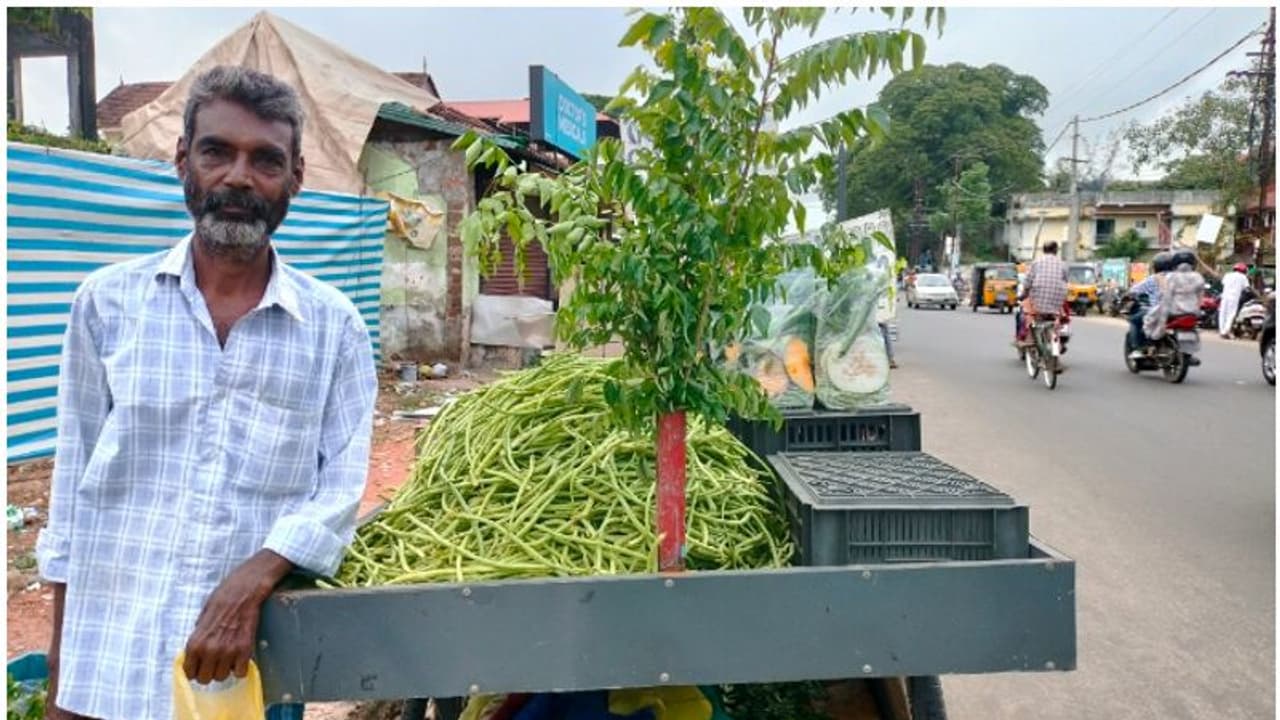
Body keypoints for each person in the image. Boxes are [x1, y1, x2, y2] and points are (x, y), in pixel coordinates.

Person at [36, 66, 378, 720]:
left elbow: (340, 485)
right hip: (112, 655)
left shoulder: (334, 327)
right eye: (217, 151)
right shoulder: (106, 305)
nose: (238, 177)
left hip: (243, 668)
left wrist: (255, 576)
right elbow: (72, 487)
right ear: (182, 162)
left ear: (296, 178)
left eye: (265, 160)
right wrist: (61, 668)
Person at [1143, 250, 1206, 343]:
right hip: (1193, 312)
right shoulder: (1198, 277)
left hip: (1174, 311)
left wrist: (1161, 322)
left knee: (1148, 318)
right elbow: (1200, 297)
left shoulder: (1171, 277)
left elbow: (1166, 298)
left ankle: (1150, 341)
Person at [1017, 241, 1069, 346]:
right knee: (1062, 315)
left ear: (1043, 250)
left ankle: (1026, 339)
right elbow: (1065, 281)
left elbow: (1028, 282)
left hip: (1038, 303)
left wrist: (1023, 295)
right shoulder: (1063, 264)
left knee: (1023, 314)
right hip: (1057, 303)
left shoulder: (1036, 263)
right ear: (1056, 251)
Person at [1127, 252, 1174, 358]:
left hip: (1159, 311)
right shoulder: (1179, 277)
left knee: (1134, 320)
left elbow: (1134, 290)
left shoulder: (1154, 278)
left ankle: (1138, 348)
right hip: (1180, 311)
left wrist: (1128, 294)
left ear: (1157, 265)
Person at [1218, 262, 1250, 338]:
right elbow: (1247, 288)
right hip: (1234, 298)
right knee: (1231, 314)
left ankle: (1222, 330)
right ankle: (1226, 331)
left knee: (1222, 313)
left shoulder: (1227, 275)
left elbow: (1223, 283)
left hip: (1225, 297)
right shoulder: (1243, 277)